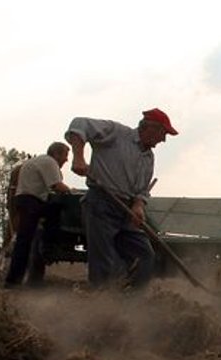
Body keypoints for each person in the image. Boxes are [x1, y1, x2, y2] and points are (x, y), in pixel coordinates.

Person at [64, 108, 178, 290]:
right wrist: (78, 157)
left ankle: (131, 301)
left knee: (146, 255)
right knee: (105, 262)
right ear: (150, 127)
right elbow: (79, 124)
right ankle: (104, 303)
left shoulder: (149, 157)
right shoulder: (117, 133)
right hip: (101, 203)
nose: (163, 140)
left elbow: (141, 191)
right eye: (163, 134)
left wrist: (139, 205)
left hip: (125, 211)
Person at [3, 142, 71, 288]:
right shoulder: (49, 162)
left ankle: (15, 279)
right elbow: (57, 186)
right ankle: (49, 243)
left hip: (25, 200)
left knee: (25, 240)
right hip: (31, 202)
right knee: (25, 241)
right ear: (57, 154)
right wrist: (71, 191)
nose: (67, 160)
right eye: (66, 155)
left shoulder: (37, 161)